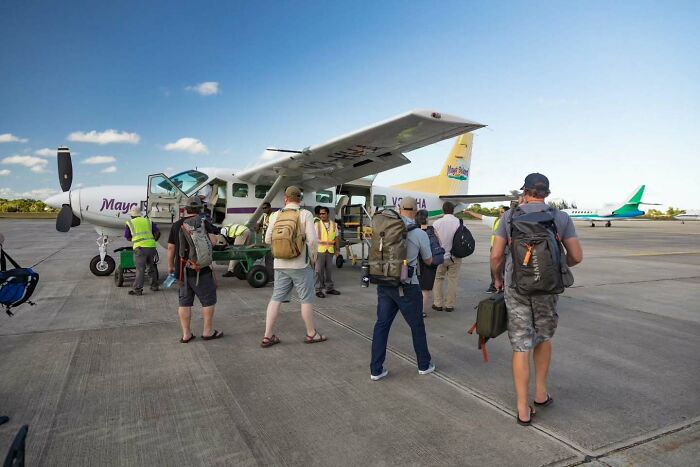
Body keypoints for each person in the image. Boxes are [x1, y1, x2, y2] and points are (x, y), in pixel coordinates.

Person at [491, 173, 582, 426]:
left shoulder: (509, 217)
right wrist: (556, 268)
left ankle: (522, 408)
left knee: (521, 344)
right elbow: (576, 255)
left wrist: (497, 279)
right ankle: (541, 393)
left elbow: (497, 255)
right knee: (543, 337)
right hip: (548, 288)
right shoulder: (560, 217)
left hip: (516, 287)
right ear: (547, 193)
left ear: (525, 191)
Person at [370, 197, 435, 381]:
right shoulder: (419, 234)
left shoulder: (385, 227)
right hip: (407, 285)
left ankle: (376, 369)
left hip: (384, 282)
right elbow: (429, 260)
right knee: (416, 326)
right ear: (415, 211)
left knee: (381, 325)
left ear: (399, 208)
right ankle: (424, 365)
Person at [261, 186, 326, 347]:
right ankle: (311, 334)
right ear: (300, 199)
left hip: (279, 264)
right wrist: (313, 259)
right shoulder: (305, 214)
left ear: (285, 199)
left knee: (276, 299)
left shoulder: (276, 215)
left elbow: (267, 239)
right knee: (306, 300)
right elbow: (312, 240)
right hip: (300, 265)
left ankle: (267, 336)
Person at [167, 197, 223, 343]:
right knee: (208, 301)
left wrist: (170, 266)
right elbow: (213, 242)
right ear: (200, 209)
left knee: (184, 303)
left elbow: (171, 247)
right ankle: (208, 331)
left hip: (182, 270)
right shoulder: (204, 223)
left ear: (186, 209)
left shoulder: (176, 225)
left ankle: (186, 334)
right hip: (201, 269)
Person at [465, 206, 510, 293]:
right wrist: (470, 212)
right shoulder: (496, 220)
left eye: (502, 212)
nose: (500, 213)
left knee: (506, 269)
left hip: (507, 248)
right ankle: (494, 285)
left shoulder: (510, 221)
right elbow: (481, 216)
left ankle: (505, 287)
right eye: (500, 212)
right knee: (494, 268)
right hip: (495, 247)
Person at [432, 201, 462, 312]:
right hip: (456, 256)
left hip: (440, 257)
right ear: (453, 210)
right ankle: (449, 305)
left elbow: (433, 241)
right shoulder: (459, 222)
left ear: (443, 210)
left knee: (438, 279)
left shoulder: (437, 223)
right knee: (453, 280)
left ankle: (438, 303)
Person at [124, 207, 160, 296]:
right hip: (151, 247)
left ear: (132, 215)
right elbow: (158, 232)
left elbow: (127, 237)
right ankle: (154, 286)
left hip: (140, 248)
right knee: (151, 267)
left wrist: (136, 240)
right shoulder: (148, 221)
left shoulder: (130, 223)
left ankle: (137, 289)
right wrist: (153, 241)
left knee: (140, 269)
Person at [415, 209, 438, 317]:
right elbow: (439, 244)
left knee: (414, 287)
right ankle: (421, 311)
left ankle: (413, 309)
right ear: (426, 219)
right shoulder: (432, 230)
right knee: (425, 289)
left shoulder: (413, 230)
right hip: (428, 262)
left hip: (415, 262)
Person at [314, 206, 341, 298]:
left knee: (329, 271)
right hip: (320, 250)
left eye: (323, 213)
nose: (321, 215)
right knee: (318, 271)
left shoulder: (334, 225)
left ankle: (329, 288)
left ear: (328, 214)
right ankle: (318, 289)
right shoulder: (316, 225)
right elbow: (312, 239)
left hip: (330, 251)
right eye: (320, 214)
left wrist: (337, 249)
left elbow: (336, 237)